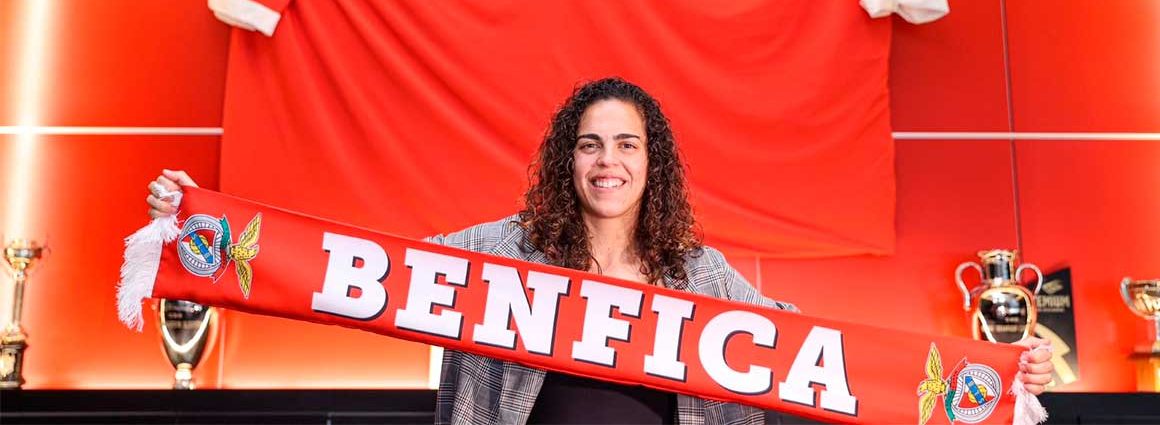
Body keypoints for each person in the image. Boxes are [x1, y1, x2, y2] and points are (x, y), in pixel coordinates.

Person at [146, 77, 1053, 424]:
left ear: (651, 163)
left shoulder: (697, 272)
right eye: (589, 144)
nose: (607, 161)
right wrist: (196, 230)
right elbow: (358, 269)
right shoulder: (499, 250)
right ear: (564, 159)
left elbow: (810, 346)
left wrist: (998, 370)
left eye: (625, 145)